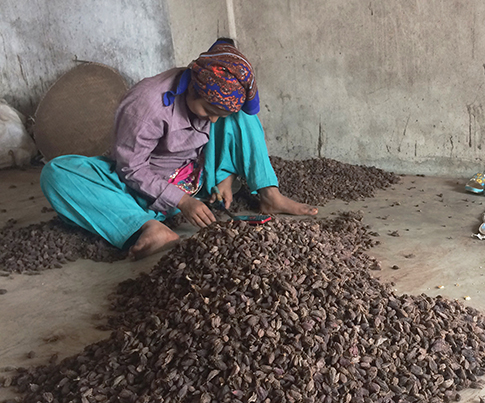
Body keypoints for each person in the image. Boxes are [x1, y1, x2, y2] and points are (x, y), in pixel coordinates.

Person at [41, 39, 317, 259]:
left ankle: (270, 195)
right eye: (209, 111)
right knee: (57, 173)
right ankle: (146, 226)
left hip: (196, 176)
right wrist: (182, 202)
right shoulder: (145, 106)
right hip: (142, 189)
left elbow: (217, 134)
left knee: (241, 115)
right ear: (193, 90)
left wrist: (224, 177)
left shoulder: (215, 105)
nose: (212, 120)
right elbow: (131, 167)